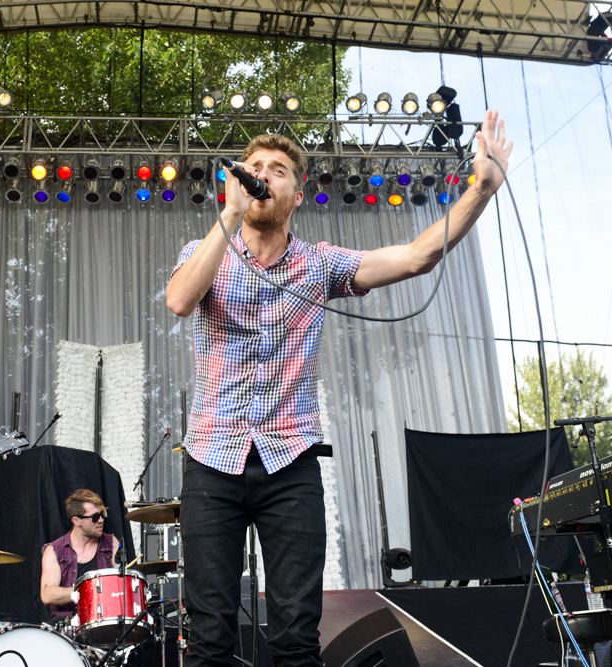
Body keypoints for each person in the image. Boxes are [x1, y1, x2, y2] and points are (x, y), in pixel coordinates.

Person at [165, 111, 512, 666]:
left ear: (296, 196)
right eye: (255, 167)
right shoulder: (205, 249)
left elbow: (416, 258)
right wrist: (228, 214)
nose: (263, 174)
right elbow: (181, 300)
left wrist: (482, 190)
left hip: (290, 461)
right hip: (211, 458)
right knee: (209, 639)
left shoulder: (320, 264)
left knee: (296, 637)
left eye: (278, 170)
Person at [40, 489, 121, 617]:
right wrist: (85, 589)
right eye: (95, 517)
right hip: (68, 623)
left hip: (105, 619)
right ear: (77, 521)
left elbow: (121, 585)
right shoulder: (55, 550)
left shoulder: (111, 543)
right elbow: (47, 595)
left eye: (102, 514)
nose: (101, 520)